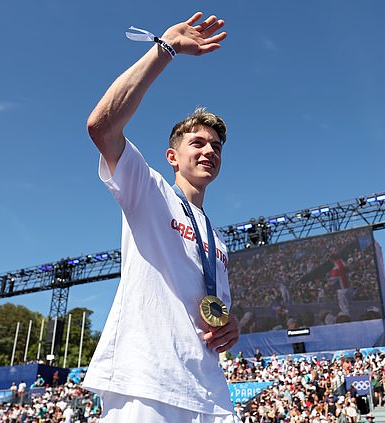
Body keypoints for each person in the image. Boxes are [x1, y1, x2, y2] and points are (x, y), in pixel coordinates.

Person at [80, 12, 240, 422]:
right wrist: (164, 49)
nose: (209, 151)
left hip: (210, 394)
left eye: (217, 146)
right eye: (198, 142)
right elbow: (101, 126)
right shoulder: (148, 190)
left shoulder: (217, 241)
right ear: (173, 156)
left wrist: (230, 327)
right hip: (147, 385)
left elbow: (212, 308)